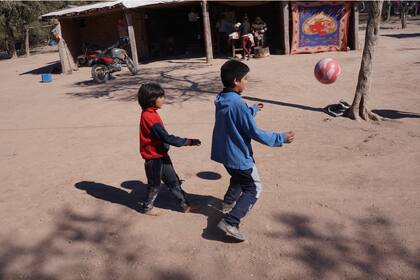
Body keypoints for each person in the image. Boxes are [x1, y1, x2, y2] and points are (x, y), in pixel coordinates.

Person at [211, 60, 295, 241]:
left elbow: (237, 118)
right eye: (245, 79)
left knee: (238, 178)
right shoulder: (238, 104)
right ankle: (231, 221)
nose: (246, 82)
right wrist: (280, 138)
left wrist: (253, 109)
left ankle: (227, 204)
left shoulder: (222, 99)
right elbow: (254, 132)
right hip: (238, 155)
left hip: (225, 155)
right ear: (236, 81)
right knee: (254, 188)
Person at [138, 83, 201, 215]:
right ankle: (147, 207)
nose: (163, 99)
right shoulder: (149, 117)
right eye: (161, 97)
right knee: (154, 186)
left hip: (161, 154)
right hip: (153, 159)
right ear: (151, 100)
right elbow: (167, 138)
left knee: (173, 181)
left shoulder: (151, 113)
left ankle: (184, 205)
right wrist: (189, 141)